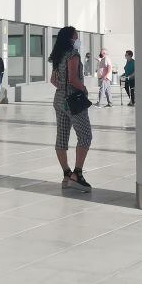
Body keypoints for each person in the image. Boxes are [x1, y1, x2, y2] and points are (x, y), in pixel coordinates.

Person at [49, 26, 92, 191]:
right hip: (74, 101)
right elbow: (73, 79)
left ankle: (66, 174)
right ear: (70, 38)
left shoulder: (58, 56)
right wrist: (83, 89)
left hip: (59, 100)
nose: (77, 39)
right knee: (85, 136)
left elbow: (53, 80)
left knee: (62, 137)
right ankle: (77, 174)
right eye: (76, 36)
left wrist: (62, 88)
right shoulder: (73, 55)